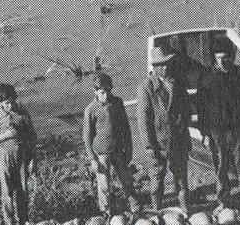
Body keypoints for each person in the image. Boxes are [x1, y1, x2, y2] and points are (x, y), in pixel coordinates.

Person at [197, 37, 240, 205]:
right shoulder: (206, 77)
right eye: (218, 58)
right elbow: (202, 108)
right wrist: (205, 133)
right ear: (213, 57)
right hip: (217, 131)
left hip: (238, 129)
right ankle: (224, 200)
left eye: (226, 57)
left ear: (230, 56)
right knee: (221, 167)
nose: (223, 61)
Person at [137, 44, 193, 212]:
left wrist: (186, 132)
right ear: (155, 67)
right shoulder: (145, 88)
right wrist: (149, 146)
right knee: (157, 179)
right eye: (162, 64)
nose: (167, 67)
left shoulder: (177, 83)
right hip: (158, 144)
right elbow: (143, 120)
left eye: (168, 63)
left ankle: (185, 209)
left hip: (178, 140)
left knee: (181, 178)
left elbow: (186, 110)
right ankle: (157, 210)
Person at [0, 83, 36, 225]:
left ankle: (23, 221)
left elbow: (32, 137)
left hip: (21, 154)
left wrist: (32, 159)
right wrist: (4, 136)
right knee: (7, 190)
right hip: (5, 155)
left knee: (22, 189)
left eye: (13, 101)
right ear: (0, 103)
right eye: (7, 103)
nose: (11, 105)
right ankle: (9, 223)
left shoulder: (22, 113)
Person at [83, 72, 139, 215]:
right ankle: (107, 213)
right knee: (104, 186)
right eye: (102, 92)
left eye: (108, 91)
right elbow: (87, 136)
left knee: (126, 179)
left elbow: (126, 127)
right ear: (95, 92)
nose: (106, 95)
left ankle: (135, 207)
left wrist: (129, 148)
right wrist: (92, 159)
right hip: (102, 153)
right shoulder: (90, 110)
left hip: (118, 150)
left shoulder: (118, 103)